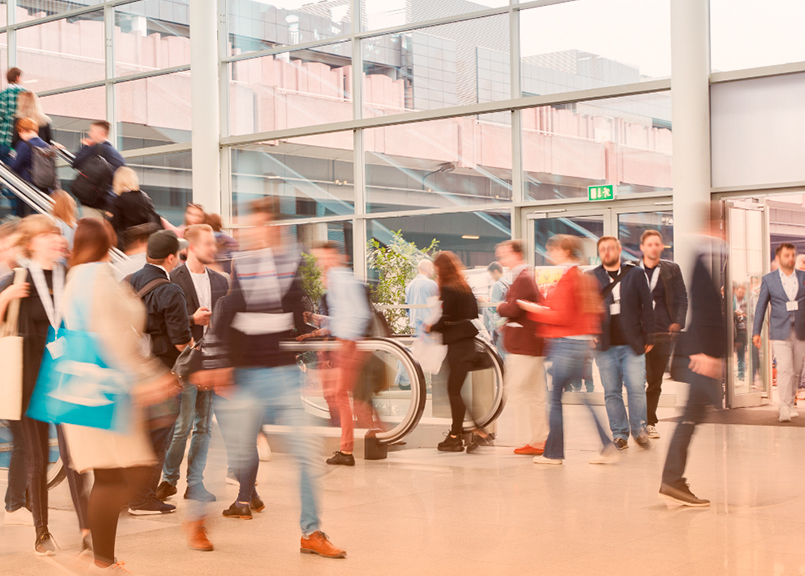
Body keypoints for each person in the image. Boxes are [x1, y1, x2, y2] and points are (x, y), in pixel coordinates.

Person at [192, 199, 345, 558]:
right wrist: (219, 367)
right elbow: (226, 314)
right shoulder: (241, 265)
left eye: (263, 226)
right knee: (231, 452)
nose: (257, 232)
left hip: (282, 374)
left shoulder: (289, 266)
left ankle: (311, 532)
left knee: (306, 453)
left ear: (276, 229)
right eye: (253, 226)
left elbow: (295, 318)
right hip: (243, 374)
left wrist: (322, 352)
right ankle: (197, 517)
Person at [60, 218, 180, 572]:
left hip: (80, 388)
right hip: (106, 391)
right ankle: (102, 561)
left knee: (110, 476)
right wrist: (150, 378)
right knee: (125, 474)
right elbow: (115, 341)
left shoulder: (74, 279)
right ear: (105, 243)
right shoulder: (100, 279)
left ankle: (101, 557)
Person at [0, 215, 89, 555]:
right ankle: (42, 532)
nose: (56, 239)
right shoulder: (17, 279)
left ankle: (87, 529)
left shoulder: (72, 277)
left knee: (76, 457)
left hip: (66, 379)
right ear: (30, 243)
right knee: (37, 458)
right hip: (27, 382)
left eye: (56, 233)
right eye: (47, 234)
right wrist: (6, 297)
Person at [518, 235, 618, 466]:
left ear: (564, 251)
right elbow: (594, 311)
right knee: (581, 398)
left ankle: (554, 454)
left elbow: (561, 316)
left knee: (554, 399)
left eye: (553, 249)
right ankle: (606, 445)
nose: (550, 253)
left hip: (565, 344)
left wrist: (535, 310)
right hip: (579, 345)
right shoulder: (584, 277)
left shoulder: (568, 278)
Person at [157, 225, 227, 510]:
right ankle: (169, 479)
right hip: (185, 361)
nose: (213, 249)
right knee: (182, 425)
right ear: (192, 248)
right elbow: (164, 322)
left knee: (204, 427)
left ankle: (195, 483)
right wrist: (192, 319)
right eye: (208, 244)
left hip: (212, 361)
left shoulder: (221, 281)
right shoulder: (173, 279)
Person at [659, 208, 726, 507]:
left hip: (703, 355)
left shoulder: (706, 259)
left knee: (692, 416)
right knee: (690, 417)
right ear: (714, 226)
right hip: (701, 357)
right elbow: (701, 309)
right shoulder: (701, 261)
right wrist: (704, 352)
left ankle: (673, 480)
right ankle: (672, 480)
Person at [125, 230, 191, 515]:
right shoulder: (170, 290)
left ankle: (123, 495)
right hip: (160, 373)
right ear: (171, 258)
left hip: (130, 369)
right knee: (157, 435)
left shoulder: (128, 281)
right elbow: (180, 341)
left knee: (133, 434)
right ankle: (142, 500)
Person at [310, 241, 372, 467]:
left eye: (325, 257)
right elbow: (347, 315)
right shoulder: (336, 281)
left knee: (341, 396)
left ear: (337, 257)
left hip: (348, 344)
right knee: (340, 396)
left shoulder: (342, 280)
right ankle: (349, 447)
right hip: (345, 343)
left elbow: (361, 314)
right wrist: (326, 322)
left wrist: (347, 341)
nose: (322, 262)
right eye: (320, 258)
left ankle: (348, 449)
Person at [590, 236, 654, 450]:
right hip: (604, 345)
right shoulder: (591, 276)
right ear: (599, 253)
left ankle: (639, 431)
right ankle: (619, 434)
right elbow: (586, 308)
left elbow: (647, 305)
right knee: (611, 391)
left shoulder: (635, 273)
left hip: (632, 343)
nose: (607, 252)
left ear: (619, 250)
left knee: (636, 388)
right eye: (603, 249)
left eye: (611, 248)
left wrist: (650, 336)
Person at [426, 251, 489, 453]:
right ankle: (470, 432)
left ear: (441, 269)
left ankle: (458, 436)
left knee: (454, 391)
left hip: (457, 347)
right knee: (456, 390)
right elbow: (473, 313)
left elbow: (445, 317)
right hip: (467, 344)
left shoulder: (447, 288)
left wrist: (431, 327)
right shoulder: (464, 287)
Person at [495, 240, 548, 456]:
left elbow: (514, 308)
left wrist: (500, 307)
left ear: (517, 254)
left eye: (504, 255)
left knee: (518, 389)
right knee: (534, 394)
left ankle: (536, 438)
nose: (501, 260)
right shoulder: (524, 277)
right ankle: (539, 439)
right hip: (530, 346)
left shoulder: (523, 278)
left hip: (525, 347)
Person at [639, 230, 688, 439]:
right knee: (636, 380)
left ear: (661, 247)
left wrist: (678, 322)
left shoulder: (672, 269)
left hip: (662, 332)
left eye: (656, 244)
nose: (653, 247)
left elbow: (682, 298)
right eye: (649, 244)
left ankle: (649, 422)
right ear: (642, 247)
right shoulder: (632, 270)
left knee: (655, 381)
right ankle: (638, 421)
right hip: (638, 334)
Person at [753, 243, 805, 422]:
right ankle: (783, 406)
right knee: (784, 368)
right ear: (778, 258)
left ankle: (790, 404)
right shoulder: (769, 280)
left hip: (800, 331)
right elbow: (760, 307)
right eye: (786, 255)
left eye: (792, 255)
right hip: (779, 331)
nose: (790, 258)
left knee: (796, 371)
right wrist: (756, 331)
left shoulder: (803, 277)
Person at [71, 120, 125, 218]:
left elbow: (76, 163)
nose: (89, 133)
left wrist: (85, 147)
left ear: (101, 133)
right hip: (110, 203)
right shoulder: (118, 156)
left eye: (92, 131)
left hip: (93, 201)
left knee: (92, 227)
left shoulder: (95, 148)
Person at [109, 166, 162, 246]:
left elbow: (116, 226)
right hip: (145, 242)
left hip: (128, 243)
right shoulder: (144, 197)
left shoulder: (120, 200)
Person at [9, 117, 55, 193]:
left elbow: (14, 166)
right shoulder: (48, 147)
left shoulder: (24, 145)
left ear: (23, 130)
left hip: (28, 186)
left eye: (19, 133)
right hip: (46, 187)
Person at [405, 258, 438, 336]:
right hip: (428, 327)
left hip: (414, 327)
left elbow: (407, 307)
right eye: (432, 268)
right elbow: (438, 305)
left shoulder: (410, 285)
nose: (433, 271)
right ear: (427, 268)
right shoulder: (432, 284)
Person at [483, 261, 509, 357]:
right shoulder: (509, 282)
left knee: (502, 354)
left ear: (495, 271)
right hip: (508, 322)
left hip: (500, 324)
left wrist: (484, 302)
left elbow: (493, 308)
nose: (492, 278)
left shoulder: (497, 285)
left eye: (491, 275)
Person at [734, 284, 749, 381]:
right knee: (738, 353)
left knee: (741, 353)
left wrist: (744, 315)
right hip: (735, 330)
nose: (741, 294)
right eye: (740, 292)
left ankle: (741, 374)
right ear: (736, 291)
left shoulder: (747, 302)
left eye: (743, 293)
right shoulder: (732, 302)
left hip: (744, 331)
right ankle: (740, 372)